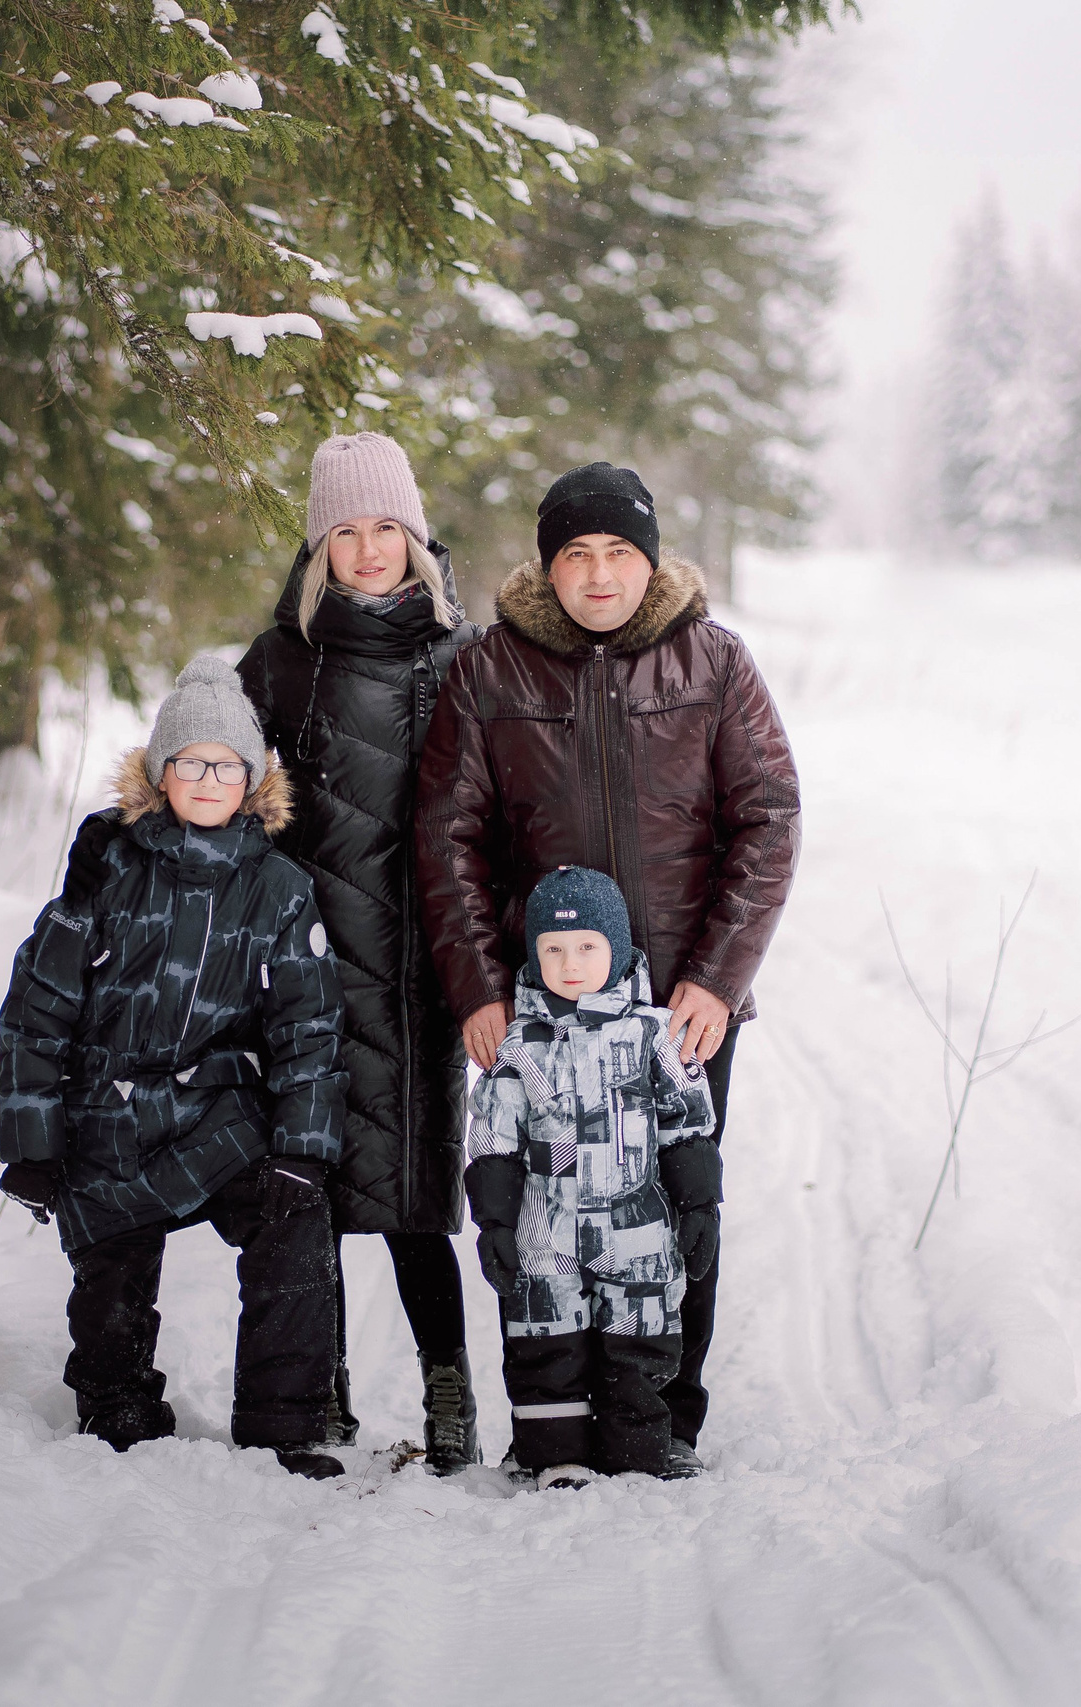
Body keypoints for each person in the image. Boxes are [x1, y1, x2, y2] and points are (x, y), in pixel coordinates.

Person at [416, 461, 800, 1466]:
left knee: (675, 1200)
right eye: (576, 555)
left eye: (618, 553)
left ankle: (662, 1419)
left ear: (651, 560)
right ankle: (556, 1425)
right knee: (544, 1213)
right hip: (537, 1015)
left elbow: (767, 821)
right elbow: (447, 834)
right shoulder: (490, 668)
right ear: (550, 566)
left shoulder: (713, 664)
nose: (597, 575)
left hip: (677, 1007)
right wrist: (478, 990)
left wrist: (717, 977)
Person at [0, 656, 349, 1479]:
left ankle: (283, 1421)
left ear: (253, 778)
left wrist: (300, 1144)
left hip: (213, 1114)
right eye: (191, 761)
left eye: (227, 763)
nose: (209, 777)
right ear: (161, 771)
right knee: (111, 1262)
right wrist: (32, 1142)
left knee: (294, 1219)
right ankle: (117, 1401)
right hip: (109, 1114)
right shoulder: (107, 869)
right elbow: (38, 1006)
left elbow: (309, 1022)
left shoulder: (280, 887)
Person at [238, 431, 484, 1474]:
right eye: (347, 530)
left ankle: (449, 1392)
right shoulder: (277, 663)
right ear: (320, 546)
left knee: (415, 1196)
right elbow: (233, 810)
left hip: (424, 976)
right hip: (309, 971)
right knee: (314, 1190)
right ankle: (322, 1385)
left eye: (387, 527)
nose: (370, 548)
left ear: (416, 539)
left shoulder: (462, 658)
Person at [466, 867, 720, 1487]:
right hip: (543, 1240)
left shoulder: (654, 1035)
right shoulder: (518, 1045)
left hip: (638, 1237)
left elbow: (686, 1131)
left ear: (619, 950)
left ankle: (636, 1455)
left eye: (587, 947)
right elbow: (493, 1140)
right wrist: (495, 1224)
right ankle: (556, 1457)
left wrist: (700, 1208)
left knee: (639, 1349)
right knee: (547, 1352)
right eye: (552, 950)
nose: (570, 964)